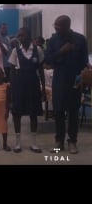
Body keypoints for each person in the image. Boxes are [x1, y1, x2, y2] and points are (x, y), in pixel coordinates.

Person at [45, 15, 89, 154]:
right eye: (55, 25)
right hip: (59, 80)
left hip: (74, 81)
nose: (56, 28)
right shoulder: (53, 40)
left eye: (58, 26)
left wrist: (83, 79)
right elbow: (47, 59)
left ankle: (72, 142)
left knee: (73, 112)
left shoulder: (80, 39)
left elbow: (84, 61)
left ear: (67, 26)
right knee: (58, 111)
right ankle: (59, 141)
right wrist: (61, 51)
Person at [8, 27, 46, 153]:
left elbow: (40, 70)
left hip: (33, 84)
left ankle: (34, 143)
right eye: (19, 35)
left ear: (29, 36)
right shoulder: (15, 51)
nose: (20, 38)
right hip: (19, 84)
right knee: (17, 113)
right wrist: (12, 90)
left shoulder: (38, 50)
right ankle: (18, 143)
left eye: (23, 35)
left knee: (33, 113)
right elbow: (12, 72)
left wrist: (44, 89)